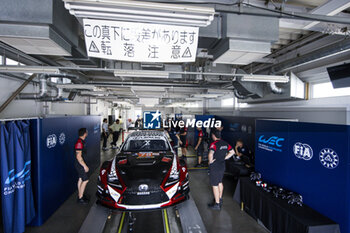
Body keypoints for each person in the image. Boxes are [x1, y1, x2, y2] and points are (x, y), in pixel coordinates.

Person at [208, 129, 235, 210]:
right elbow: (232, 152)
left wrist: (210, 162)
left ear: (213, 135)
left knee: (214, 184)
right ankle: (219, 199)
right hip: (222, 166)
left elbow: (210, 153)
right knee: (219, 182)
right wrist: (224, 158)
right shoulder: (225, 143)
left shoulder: (214, 144)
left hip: (215, 166)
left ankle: (217, 204)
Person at [75, 128, 90, 204]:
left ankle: (80, 195)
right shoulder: (79, 143)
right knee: (85, 180)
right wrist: (85, 166)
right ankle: (80, 198)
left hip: (80, 163)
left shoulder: (81, 142)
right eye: (86, 132)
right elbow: (78, 157)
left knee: (80, 179)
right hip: (80, 164)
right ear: (85, 134)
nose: (87, 133)